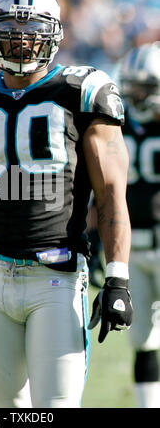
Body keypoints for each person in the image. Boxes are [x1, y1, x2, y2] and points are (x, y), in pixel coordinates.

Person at [0, 0, 133, 408]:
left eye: (31, 30)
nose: (20, 41)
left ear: (53, 33)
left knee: (54, 408)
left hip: (55, 276)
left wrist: (117, 276)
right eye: (9, 29)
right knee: (7, 410)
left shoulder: (83, 90)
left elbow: (112, 192)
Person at [118, 41, 160, 408]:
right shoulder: (117, 124)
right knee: (142, 339)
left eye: (145, 87)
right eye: (132, 87)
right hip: (134, 246)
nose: (136, 95)